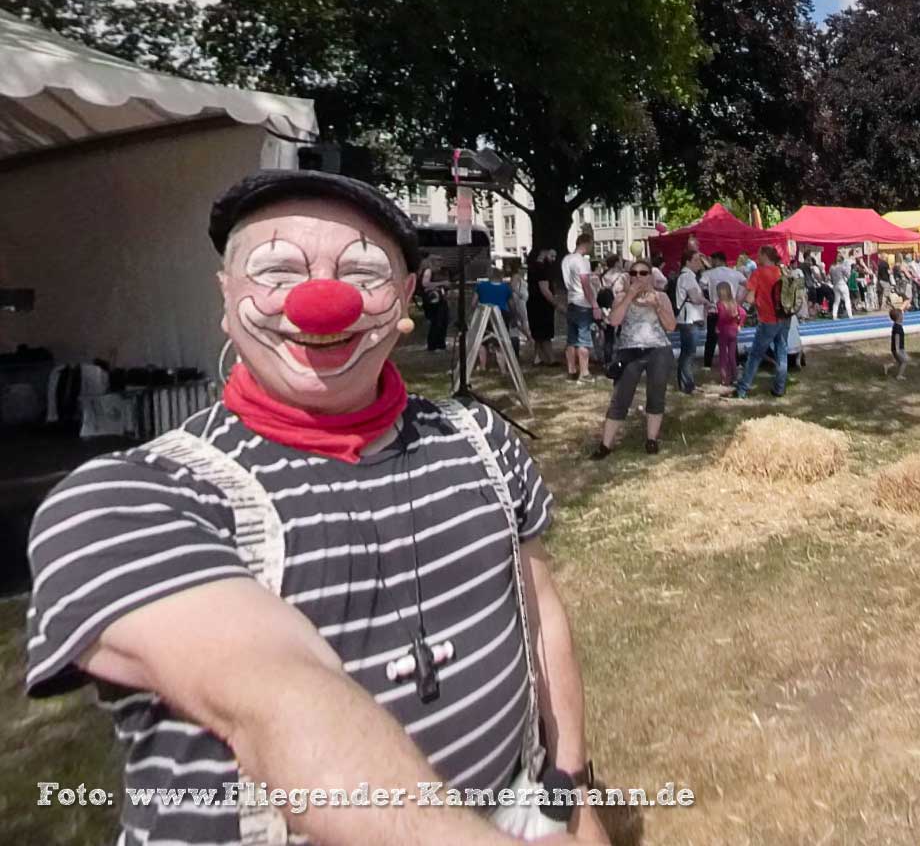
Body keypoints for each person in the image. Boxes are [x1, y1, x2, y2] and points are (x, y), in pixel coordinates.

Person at [26, 170, 601, 845]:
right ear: (225, 295)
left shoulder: (485, 441)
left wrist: (571, 799)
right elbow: (276, 700)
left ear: (407, 298)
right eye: (276, 270)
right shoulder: (129, 501)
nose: (319, 302)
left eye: (362, 273)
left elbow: (541, 624)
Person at [595, 258, 678, 459]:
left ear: (650, 276)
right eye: (633, 273)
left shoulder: (661, 297)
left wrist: (657, 306)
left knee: (656, 395)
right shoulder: (622, 296)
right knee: (620, 398)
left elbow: (671, 326)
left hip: (658, 350)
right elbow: (614, 321)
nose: (638, 277)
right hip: (630, 351)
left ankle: (651, 440)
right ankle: (605, 446)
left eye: (643, 273)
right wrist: (630, 295)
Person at [732, 245, 790, 398]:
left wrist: (741, 303)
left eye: (759, 254)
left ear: (765, 255)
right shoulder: (781, 271)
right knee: (782, 352)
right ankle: (779, 388)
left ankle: (742, 389)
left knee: (755, 355)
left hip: (767, 320)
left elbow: (750, 298)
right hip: (783, 318)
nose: (757, 256)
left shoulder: (758, 273)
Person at [560, 231, 596, 383]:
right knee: (584, 339)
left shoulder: (566, 259)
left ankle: (571, 370)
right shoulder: (581, 261)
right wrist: (594, 304)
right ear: (586, 243)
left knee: (571, 339)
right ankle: (584, 372)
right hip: (583, 302)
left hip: (571, 300)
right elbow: (585, 283)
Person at [672, 252, 710, 395]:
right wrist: (707, 302)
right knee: (688, 353)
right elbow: (695, 298)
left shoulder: (687, 277)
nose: (699, 263)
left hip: (689, 319)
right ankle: (687, 385)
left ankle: (687, 383)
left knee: (687, 353)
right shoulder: (688, 277)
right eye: (696, 260)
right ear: (687, 262)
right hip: (690, 319)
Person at [701, 250, 743, 368]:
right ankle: (736, 362)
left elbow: (701, 286)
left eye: (712, 260)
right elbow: (747, 284)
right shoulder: (735, 273)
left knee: (711, 338)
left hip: (715, 309)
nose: (711, 262)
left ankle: (707, 364)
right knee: (732, 337)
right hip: (731, 309)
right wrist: (739, 301)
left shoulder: (709, 274)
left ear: (717, 260)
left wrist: (706, 301)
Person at [712, 280, 744, 388]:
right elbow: (743, 313)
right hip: (734, 330)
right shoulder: (734, 303)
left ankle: (724, 378)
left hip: (724, 331)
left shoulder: (720, 304)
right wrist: (740, 324)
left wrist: (717, 327)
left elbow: (721, 318)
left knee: (723, 355)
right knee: (732, 355)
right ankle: (735, 376)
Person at [419, 258, 451, 351]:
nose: (440, 264)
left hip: (441, 298)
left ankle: (441, 344)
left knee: (444, 320)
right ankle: (432, 345)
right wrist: (441, 283)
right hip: (433, 299)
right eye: (438, 261)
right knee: (437, 322)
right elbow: (425, 284)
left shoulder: (442, 272)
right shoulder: (428, 271)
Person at [887, 303, 908, 380]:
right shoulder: (898, 328)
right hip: (898, 348)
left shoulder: (896, 325)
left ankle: (888, 366)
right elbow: (897, 338)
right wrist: (898, 350)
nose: (903, 316)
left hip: (898, 348)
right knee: (904, 361)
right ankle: (899, 376)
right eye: (902, 315)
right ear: (899, 317)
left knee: (901, 361)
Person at [829, 254, 853, 318]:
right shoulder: (841, 266)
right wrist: (849, 269)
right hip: (842, 284)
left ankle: (834, 315)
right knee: (847, 300)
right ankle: (850, 315)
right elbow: (848, 275)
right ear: (842, 261)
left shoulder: (831, 267)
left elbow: (831, 278)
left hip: (835, 285)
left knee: (836, 301)